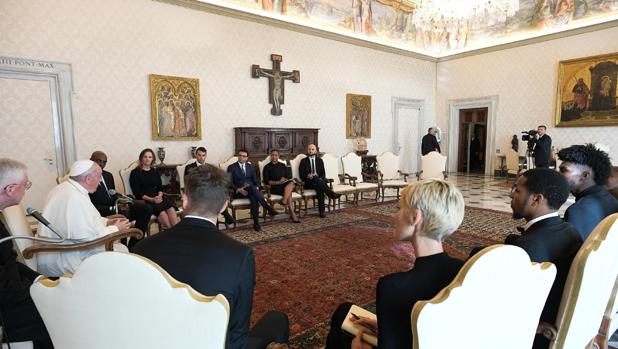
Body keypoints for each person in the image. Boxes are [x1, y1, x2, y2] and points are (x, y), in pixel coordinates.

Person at [133, 164, 289, 349]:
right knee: (278, 319)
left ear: (184, 200)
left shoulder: (141, 248)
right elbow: (237, 332)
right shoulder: (240, 255)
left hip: (155, 342)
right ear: (224, 205)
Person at [325, 180, 465, 349]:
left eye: (398, 208)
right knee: (344, 312)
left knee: (341, 332)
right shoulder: (463, 270)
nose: (395, 216)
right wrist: (383, 327)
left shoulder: (393, 287)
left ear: (415, 217)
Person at [505, 168, 582, 349]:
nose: (511, 195)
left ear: (536, 199)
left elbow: (509, 308)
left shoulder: (527, 248)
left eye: (517, 190)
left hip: (536, 334)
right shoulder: (570, 230)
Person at [37, 160, 131, 277]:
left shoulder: (69, 188)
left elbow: (87, 217)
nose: (101, 181)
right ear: (88, 179)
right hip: (66, 257)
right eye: (99, 177)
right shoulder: (74, 197)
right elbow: (88, 238)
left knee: (122, 250)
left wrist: (107, 222)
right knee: (124, 256)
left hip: (67, 249)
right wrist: (115, 229)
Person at [0, 158, 53, 349]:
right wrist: (36, 292)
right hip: (5, 307)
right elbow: (5, 288)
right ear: (10, 189)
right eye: (26, 185)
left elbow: (10, 261)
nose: (26, 188)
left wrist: (40, 279)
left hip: (14, 290)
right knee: (58, 311)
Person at [88, 151, 153, 249]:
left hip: (116, 206)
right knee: (124, 212)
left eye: (104, 162)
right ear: (91, 160)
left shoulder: (108, 175)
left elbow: (112, 194)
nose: (101, 164)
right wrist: (114, 207)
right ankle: (123, 245)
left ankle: (135, 243)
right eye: (98, 161)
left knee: (146, 208)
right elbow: (92, 205)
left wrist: (123, 201)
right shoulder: (87, 177)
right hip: (102, 211)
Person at [558, 144, 618, 240]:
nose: (558, 175)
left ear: (584, 175)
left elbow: (577, 254)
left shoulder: (577, 211)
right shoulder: (610, 199)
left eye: (564, 171)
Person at [227, 149, 277, 231]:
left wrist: (257, 187)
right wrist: (238, 189)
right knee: (254, 192)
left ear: (247, 158)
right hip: (240, 192)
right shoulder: (231, 167)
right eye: (239, 155)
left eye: (243, 156)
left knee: (254, 195)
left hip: (251, 190)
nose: (241, 157)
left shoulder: (250, 167)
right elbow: (229, 182)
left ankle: (256, 224)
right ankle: (268, 208)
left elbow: (256, 181)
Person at [183, 147, 234, 225]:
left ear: (206, 156)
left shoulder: (209, 167)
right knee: (211, 199)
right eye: (199, 155)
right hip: (196, 191)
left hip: (207, 190)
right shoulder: (189, 167)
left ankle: (216, 223)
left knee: (216, 196)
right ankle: (226, 215)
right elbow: (187, 182)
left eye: (203, 155)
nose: (201, 157)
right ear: (196, 155)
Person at [129, 148, 178, 230]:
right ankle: (170, 235)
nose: (147, 159)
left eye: (150, 157)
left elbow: (160, 187)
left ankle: (176, 234)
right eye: (145, 157)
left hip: (158, 198)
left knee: (171, 209)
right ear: (141, 158)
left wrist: (159, 196)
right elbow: (137, 193)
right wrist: (152, 199)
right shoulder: (135, 173)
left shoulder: (154, 171)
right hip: (146, 200)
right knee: (163, 215)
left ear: (153, 159)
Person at [299, 144, 340, 218]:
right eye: (309, 149)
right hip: (308, 183)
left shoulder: (320, 161)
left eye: (312, 149)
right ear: (307, 150)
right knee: (316, 180)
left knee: (319, 186)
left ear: (315, 151)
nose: (310, 151)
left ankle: (322, 212)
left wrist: (318, 177)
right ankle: (330, 193)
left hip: (318, 182)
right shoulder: (303, 161)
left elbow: (323, 174)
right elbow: (301, 175)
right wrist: (308, 175)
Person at [263, 149, 300, 223]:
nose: (274, 157)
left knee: (291, 183)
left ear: (278, 156)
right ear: (270, 156)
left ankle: (284, 200)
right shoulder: (267, 167)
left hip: (284, 185)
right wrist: (277, 182)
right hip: (274, 187)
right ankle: (292, 214)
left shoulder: (282, 165)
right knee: (289, 192)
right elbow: (267, 181)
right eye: (272, 155)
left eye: (275, 155)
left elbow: (289, 176)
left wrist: (284, 178)